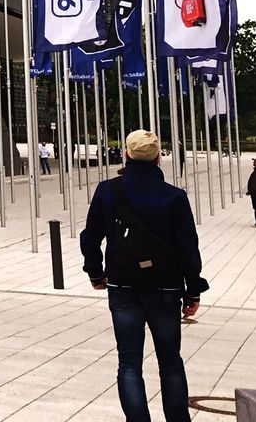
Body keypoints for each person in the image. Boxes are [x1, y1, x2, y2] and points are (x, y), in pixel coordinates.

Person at [80, 130, 208, 422]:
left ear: (125, 154)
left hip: (123, 284)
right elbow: (188, 246)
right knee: (171, 362)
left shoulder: (108, 191)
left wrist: (95, 272)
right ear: (158, 158)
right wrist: (193, 290)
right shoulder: (174, 197)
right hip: (165, 287)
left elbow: (90, 237)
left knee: (129, 362)